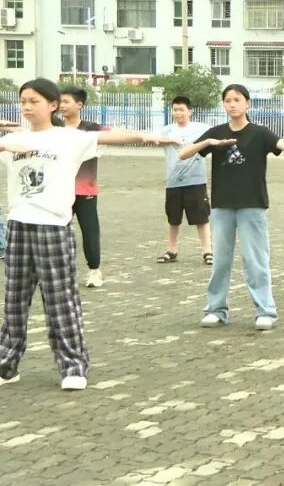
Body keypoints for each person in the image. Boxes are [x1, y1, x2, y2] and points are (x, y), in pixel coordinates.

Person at [0, 78, 176, 390]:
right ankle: (7, 364)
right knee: (14, 301)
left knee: (60, 300)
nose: (27, 107)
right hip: (18, 225)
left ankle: (72, 367)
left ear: (53, 105)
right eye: (23, 101)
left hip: (52, 227)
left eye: (34, 101)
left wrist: (148, 136)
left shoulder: (70, 138)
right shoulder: (13, 139)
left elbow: (112, 135)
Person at [178, 84, 284, 331]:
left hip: (252, 205)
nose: (232, 104)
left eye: (237, 100)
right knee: (220, 260)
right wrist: (208, 142)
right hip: (223, 205)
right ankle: (216, 309)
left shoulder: (259, 133)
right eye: (228, 100)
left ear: (248, 104)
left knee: (255, 259)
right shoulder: (217, 132)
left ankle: (265, 311)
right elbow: (184, 154)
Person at [59, 87, 107, 288]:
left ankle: (95, 271)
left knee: (90, 231)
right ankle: (61, 273)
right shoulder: (54, 128)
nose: (62, 105)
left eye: (66, 102)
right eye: (60, 102)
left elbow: (115, 135)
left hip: (85, 190)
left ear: (79, 105)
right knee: (59, 232)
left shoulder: (91, 128)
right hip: (59, 190)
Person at [156, 96, 213, 265]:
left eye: (181, 109)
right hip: (173, 181)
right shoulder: (167, 130)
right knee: (173, 218)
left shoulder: (202, 129)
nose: (178, 113)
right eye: (175, 109)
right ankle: (171, 251)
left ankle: (207, 251)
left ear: (190, 111)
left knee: (201, 218)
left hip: (196, 180)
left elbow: (216, 137)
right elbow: (154, 140)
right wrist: (172, 140)